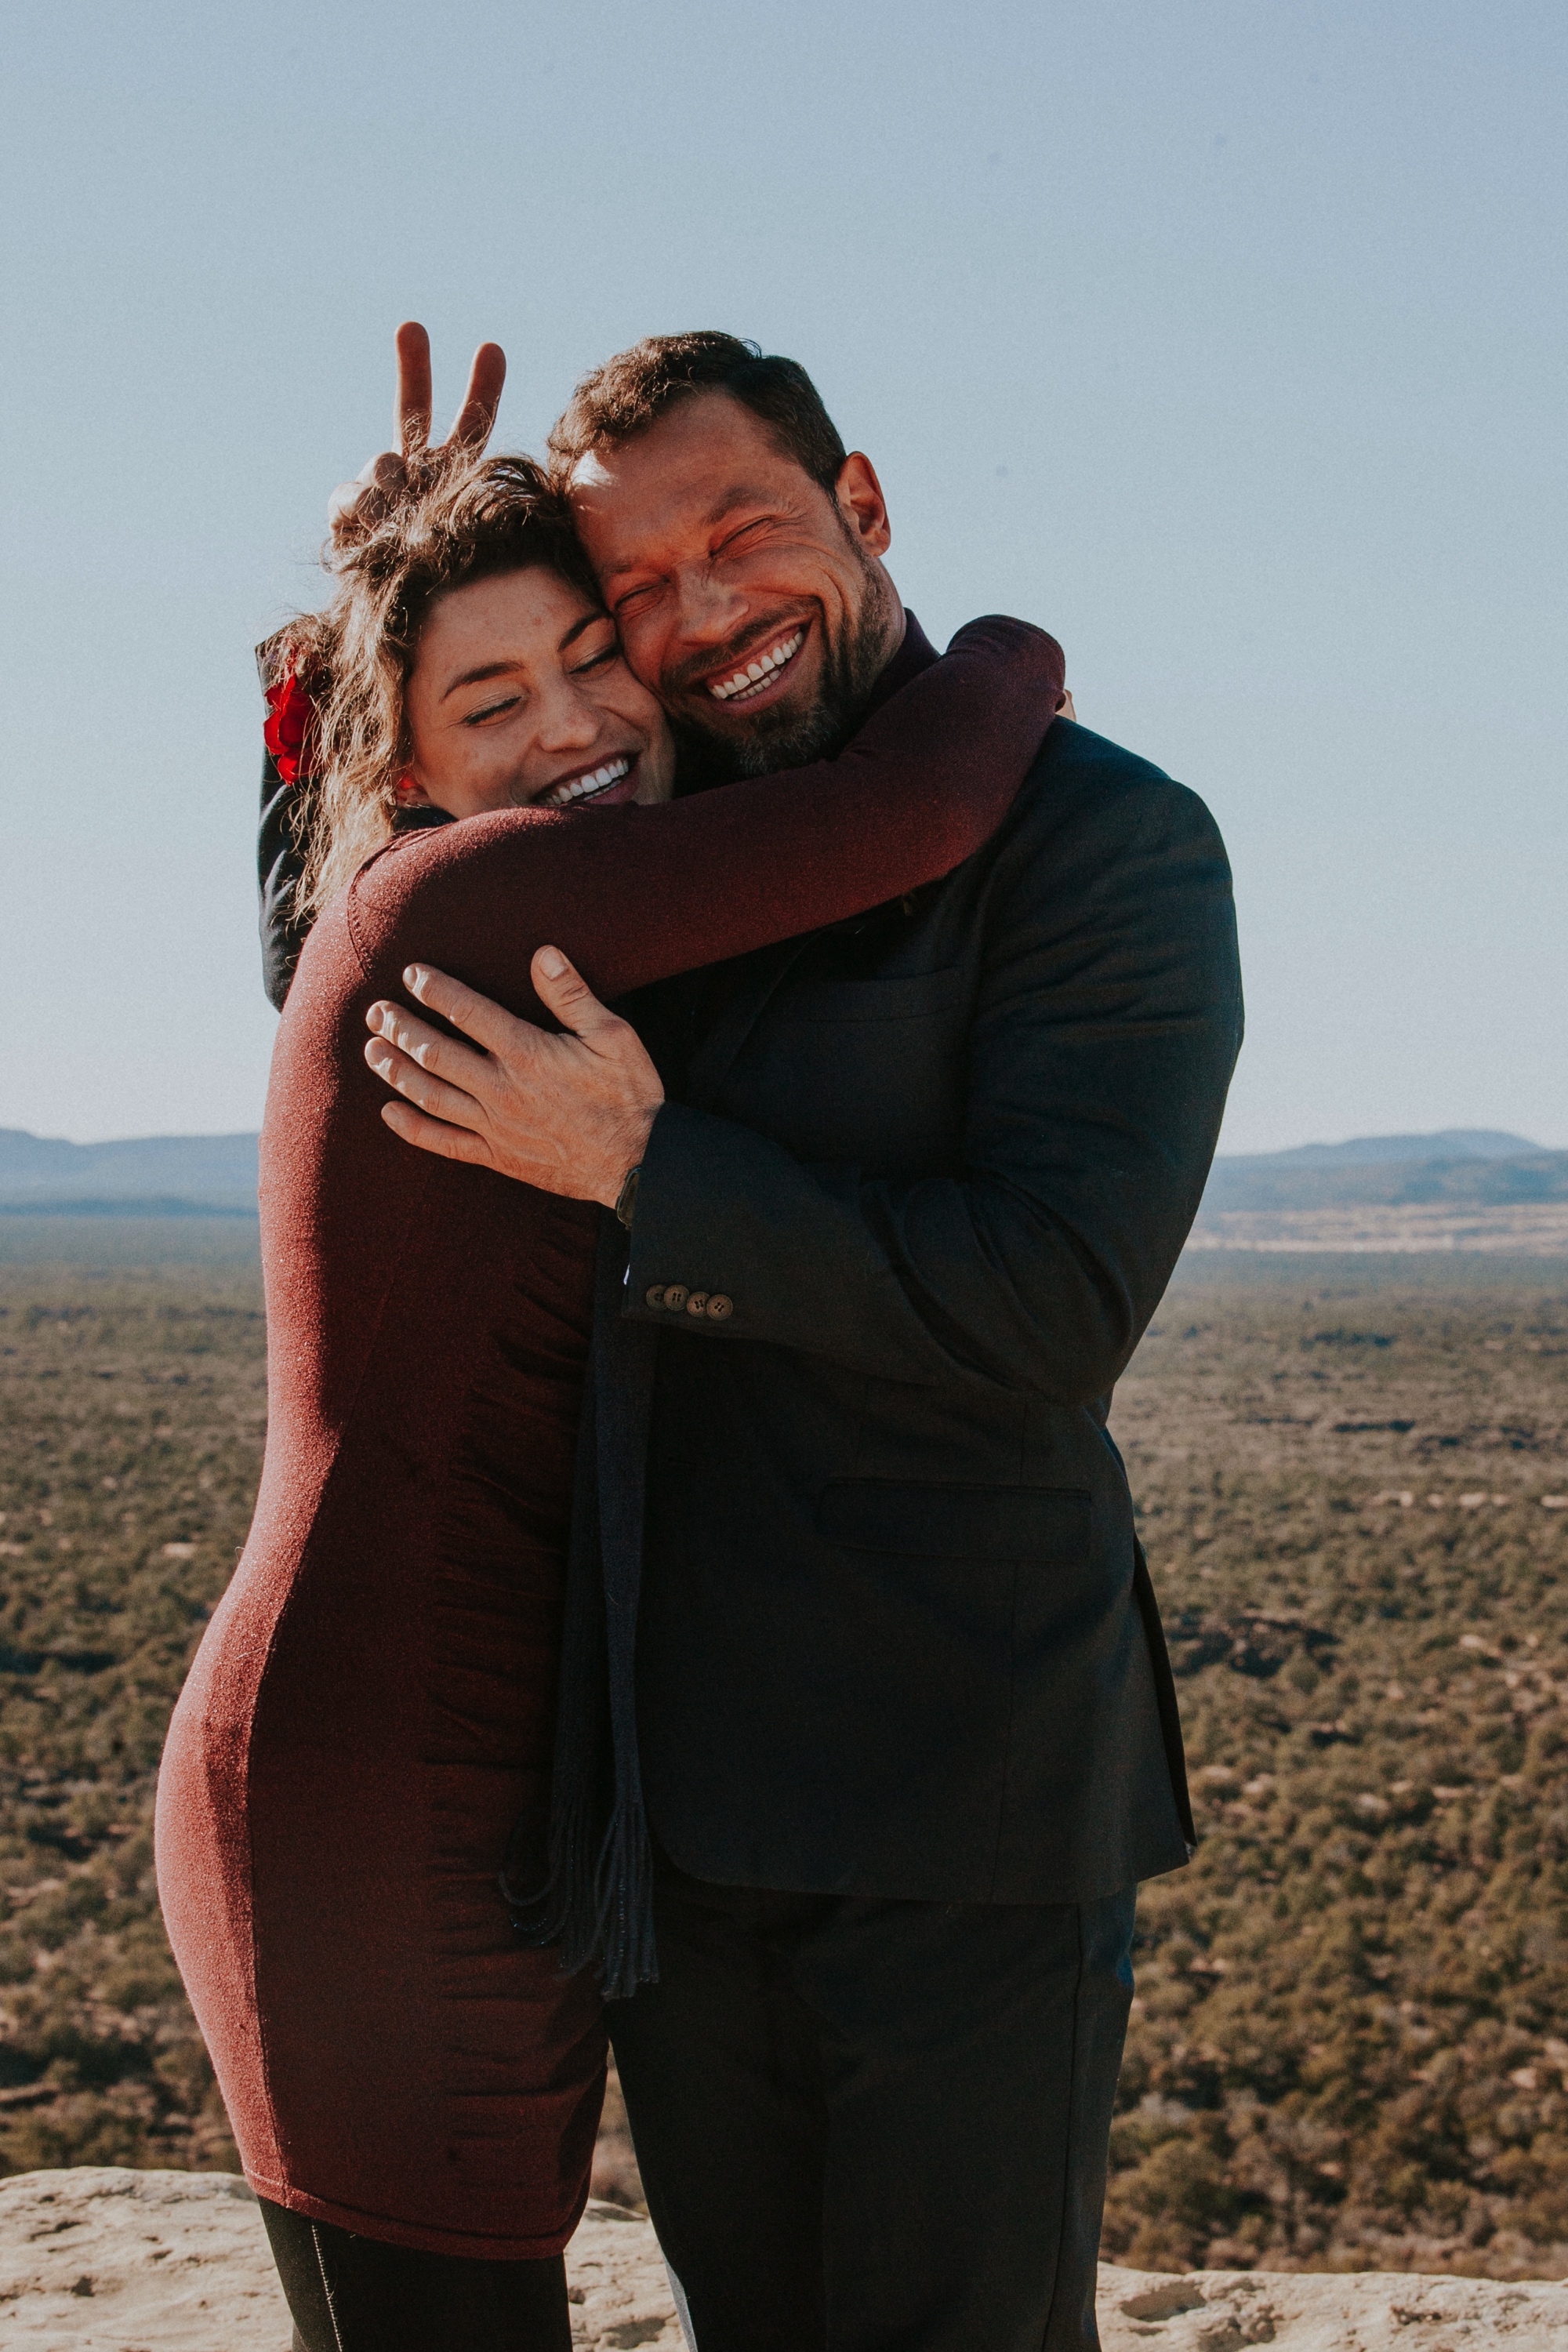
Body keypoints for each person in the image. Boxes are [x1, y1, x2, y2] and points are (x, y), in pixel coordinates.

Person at [358, 328, 1245, 2352]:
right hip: (679, 1828)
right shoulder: (661, 845)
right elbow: (367, 954)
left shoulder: (1108, 846)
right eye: (634, 593)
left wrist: (648, 1174)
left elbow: (1053, 1299)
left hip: (964, 1815)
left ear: (862, 508)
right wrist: (351, 637)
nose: (696, 620)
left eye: (738, 537)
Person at [158, 416, 1065, 2352]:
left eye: (595, 653)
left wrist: (349, 611)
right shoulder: (459, 904)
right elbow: (911, 813)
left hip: (462, 1796)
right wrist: (1000, 643)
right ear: (405, 769)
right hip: (367, 1802)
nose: (578, 719)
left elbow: (292, 914)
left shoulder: (476, 913)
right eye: (492, 696)